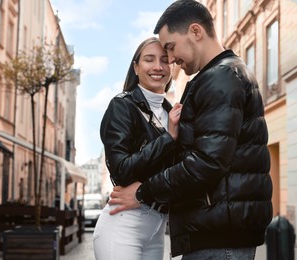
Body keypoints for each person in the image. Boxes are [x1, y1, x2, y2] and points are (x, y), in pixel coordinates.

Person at [108, 1, 273, 259]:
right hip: (217, 228)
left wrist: (142, 192)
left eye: (170, 48)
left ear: (196, 32)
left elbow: (206, 162)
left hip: (219, 234)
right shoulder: (218, 75)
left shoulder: (221, 77)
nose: (170, 60)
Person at [94, 37, 182, 260]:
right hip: (123, 226)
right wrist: (168, 138)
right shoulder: (122, 106)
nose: (158, 67)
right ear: (136, 67)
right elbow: (121, 170)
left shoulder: (171, 112)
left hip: (156, 229)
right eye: (149, 59)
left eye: (164, 60)